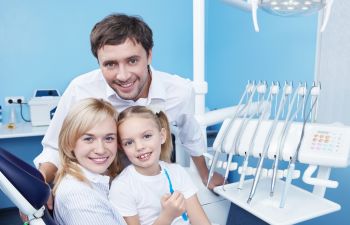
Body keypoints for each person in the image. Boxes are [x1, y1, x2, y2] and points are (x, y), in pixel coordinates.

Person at [33, 13, 224, 199]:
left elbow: (190, 136)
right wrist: (37, 187)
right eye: (110, 65)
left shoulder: (179, 91)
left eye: (132, 61)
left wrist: (205, 174)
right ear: (98, 63)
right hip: (95, 187)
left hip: (146, 186)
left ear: (149, 55)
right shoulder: (80, 89)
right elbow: (54, 147)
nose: (123, 76)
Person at [109, 106, 211, 225]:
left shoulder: (177, 172)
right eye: (129, 142)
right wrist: (167, 215)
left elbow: (201, 222)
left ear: (162, 136)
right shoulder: (122, 187)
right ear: (122, 148)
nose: (139, 147)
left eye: (147, 136)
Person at [52, 98, 126, 225]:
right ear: (69, 143)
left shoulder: (101, 176)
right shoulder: (79, 198)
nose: (101, 150)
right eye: (88, 139)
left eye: (109, 138)